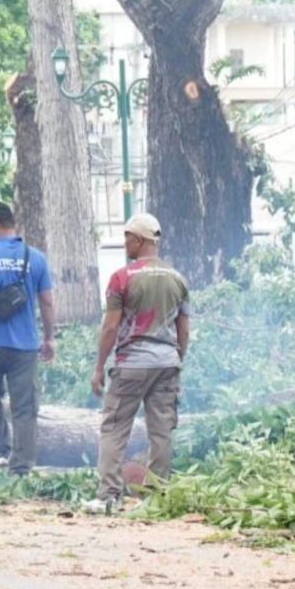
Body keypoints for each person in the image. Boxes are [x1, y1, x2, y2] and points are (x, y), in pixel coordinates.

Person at [86, 213, 190, 514]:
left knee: (115, 428)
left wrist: (98, 368)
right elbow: (184, 329)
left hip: (131, 363)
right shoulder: (178, 279)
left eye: (128, 237)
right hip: (167, 363)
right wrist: (177, 362)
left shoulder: (122, 278)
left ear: (140, 240)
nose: (125, 243)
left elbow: (110, 328)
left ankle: (108, 496)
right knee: (162, 431)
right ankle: (156, 499)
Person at [0, 202, 54, 476]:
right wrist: (49, 338)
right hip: (25, 346)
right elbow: (47, 302)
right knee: (24, 405)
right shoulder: (36, 258)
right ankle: (22, 466)